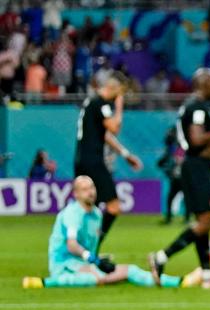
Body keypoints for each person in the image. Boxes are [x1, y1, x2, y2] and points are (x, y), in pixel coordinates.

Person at [22, 176, 197, 289]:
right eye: (84, 189)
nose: (90, 192)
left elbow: (89, 245)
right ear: (75, 194)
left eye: (91, 187)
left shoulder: (97, 214)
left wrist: (99, 258)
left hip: (82, 261)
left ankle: (177, 282)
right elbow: (72, 244)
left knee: (129, 271)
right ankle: (44, 283)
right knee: (98, 278)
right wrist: (93, 259)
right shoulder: (72, 213)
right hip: (64, 264)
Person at [148, 68, 210, 288]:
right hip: (195, 167)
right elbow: (196, 139)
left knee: (203, 220)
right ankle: (161, 257)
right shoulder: (196, 109)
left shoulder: (205, 107)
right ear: (204, 84)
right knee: (206, 221)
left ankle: (206, 275)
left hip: (202, 166)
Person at [74, 71, 143, 247]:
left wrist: (126, 154)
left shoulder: (91, 102)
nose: (120, 96)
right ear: (114, 88)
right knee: (113, 207)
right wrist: (119, 107)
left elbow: (104, 135)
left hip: (82, 160)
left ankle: (82, 248)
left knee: (89, 208)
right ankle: (93, 247)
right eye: (120, 92)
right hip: (94, 162)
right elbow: (114, 128)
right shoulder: (102, 104)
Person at [156, 126, 184, 225]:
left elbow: (179, 159)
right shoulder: (173, 148)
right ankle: (169, 218)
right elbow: (162, 163)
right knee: (171, 198)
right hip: (176, 178)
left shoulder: (181, 146)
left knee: (187, 199)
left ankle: (186, 218)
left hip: (183, 177)